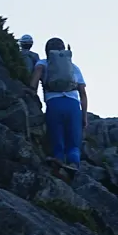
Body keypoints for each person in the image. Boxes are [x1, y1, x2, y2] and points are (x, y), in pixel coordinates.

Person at [29, 37, 87, 169]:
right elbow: (83, 94)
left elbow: (37, 73)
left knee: (57, 136)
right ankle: (73, 164)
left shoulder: (43, 63)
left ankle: (59, 161)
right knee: (74, 141)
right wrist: (84, 116)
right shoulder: (73, 67)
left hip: (54, 103)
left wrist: (31, 89)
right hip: (73, 105)